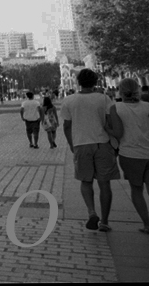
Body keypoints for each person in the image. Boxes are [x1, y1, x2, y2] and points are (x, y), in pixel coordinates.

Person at [62, 68, 120, 232]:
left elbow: (67, 126)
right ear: (95, 82)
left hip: (81, 144)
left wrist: (72, 144)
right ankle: (105, 221)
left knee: (85, 181)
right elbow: (110, 121)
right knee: (104, 183)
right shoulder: (104, 99)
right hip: (102, 143)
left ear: (78, 82)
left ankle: (91, 212)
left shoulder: (69, 100)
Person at [107, 78, 149, 234]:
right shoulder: (147, 107)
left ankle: (147, 224)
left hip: (130, 154)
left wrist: (107, 129)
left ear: (120, 90)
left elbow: (118, 133)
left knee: (137, 190)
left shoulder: (116, 108)